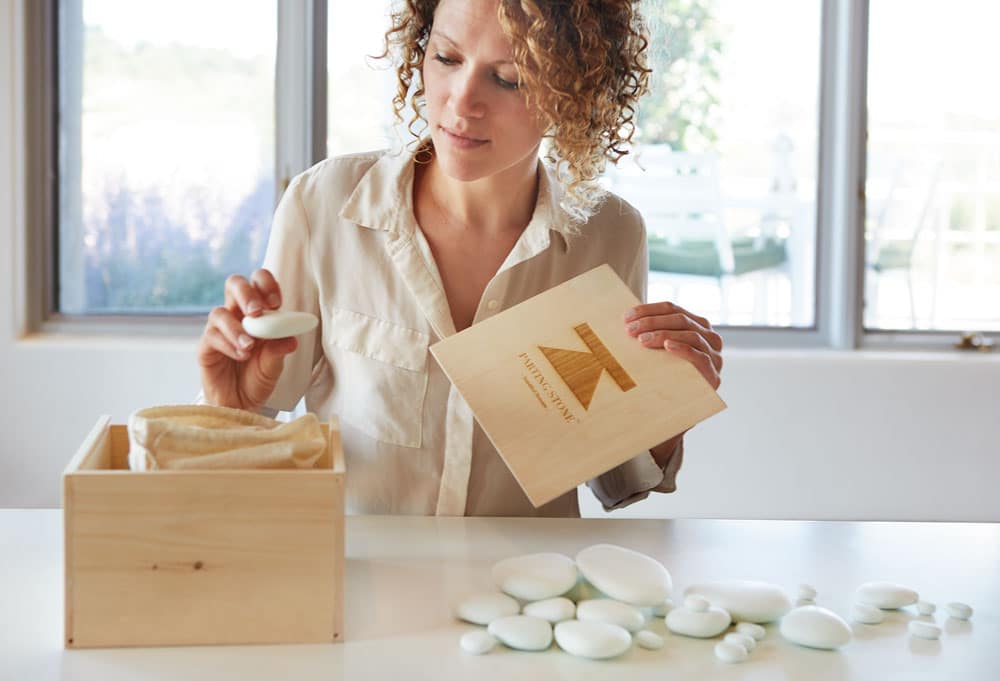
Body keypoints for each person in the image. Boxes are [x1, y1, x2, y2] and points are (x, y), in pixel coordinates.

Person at [197, 0, 723, 517]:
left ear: (575, 94)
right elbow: (251, 433)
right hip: (367, 587)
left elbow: (614, 478)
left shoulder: (610, 235)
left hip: (525, 592)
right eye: (447, 58)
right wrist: (232, 407)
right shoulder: (325, 205)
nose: (461, 102)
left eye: (510, 79)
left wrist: (666, 414)